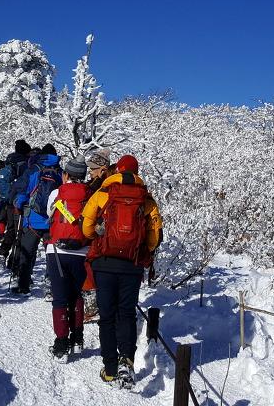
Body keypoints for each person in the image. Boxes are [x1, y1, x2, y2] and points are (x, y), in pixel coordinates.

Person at [81, 155, 162, 388]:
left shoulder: (102, 193)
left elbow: (86, 227)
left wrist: (99, 236)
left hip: (104, 263)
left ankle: (110, 369)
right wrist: (141, 250)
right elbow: (154, 236)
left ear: (117, 170)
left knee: (107, 316)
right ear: (136, 172)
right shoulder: (146, 199)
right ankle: (127, 361)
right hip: (131, 265)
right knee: (126, 313)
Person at [44, 158, 90, 357]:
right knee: (76, 295)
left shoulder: (57, 194)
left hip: (57, 252)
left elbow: (49, 214)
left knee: (60, 298)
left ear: (66, 175)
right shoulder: (90, 194)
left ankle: (61, 344)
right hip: (82, 251)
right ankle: (77, 338)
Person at [11, 144, 61, 295]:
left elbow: (22, 191)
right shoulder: (60, 172)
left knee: (27, 252)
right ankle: (51, 285)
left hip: (32, 219)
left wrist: (18, 204)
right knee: (51, 255)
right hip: (52, 221)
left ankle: (23, 284)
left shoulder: (33, 170)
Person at [0, 139, 31, 266]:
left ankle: (2, 253)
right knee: (20, 231)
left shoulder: (9, 161)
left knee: (11, 229)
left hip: (10, 201)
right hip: (21, 201)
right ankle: (15, 259)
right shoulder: (25, 164)